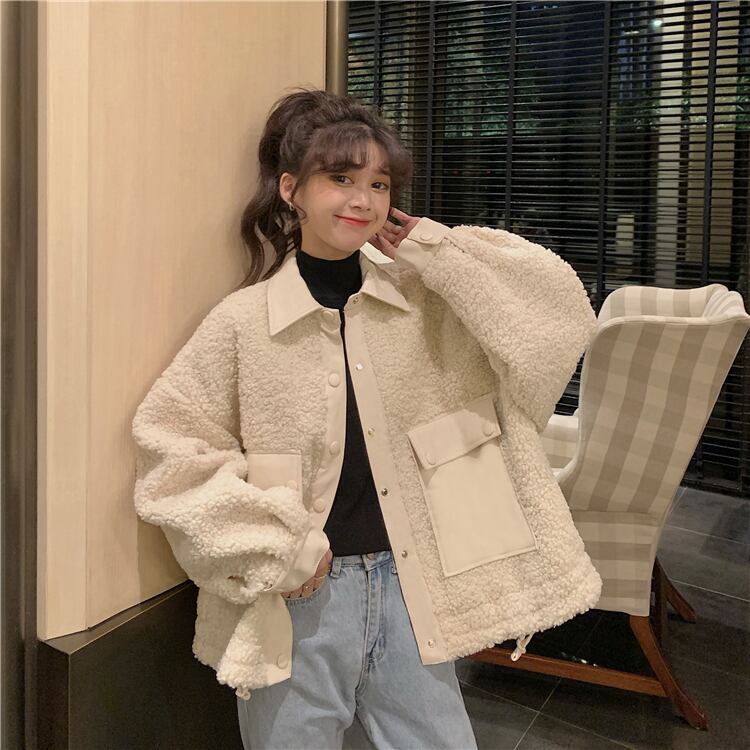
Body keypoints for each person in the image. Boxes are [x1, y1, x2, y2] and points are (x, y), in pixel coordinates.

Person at [131, 87, 602, 750]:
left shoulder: (427, 302)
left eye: (379, 184)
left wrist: (436, 250)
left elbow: (555, 321)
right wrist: (277, 547)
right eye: (341, 178)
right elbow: (170, 453)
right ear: (291, 189)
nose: (363, 200)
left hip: (414, 589)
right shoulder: (243, 324)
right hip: (296, 604)